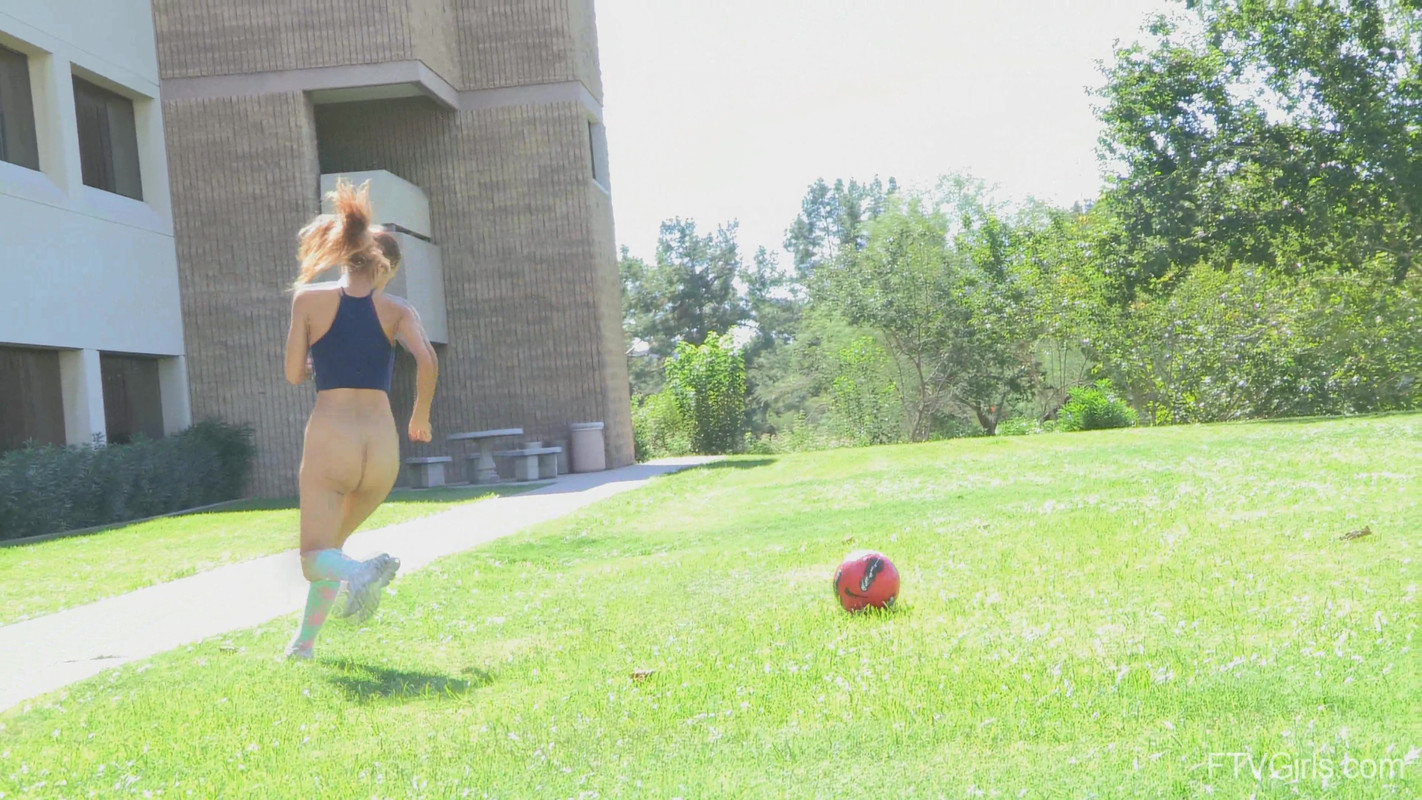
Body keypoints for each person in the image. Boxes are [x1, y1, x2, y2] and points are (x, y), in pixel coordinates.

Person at [281, 179, 439, 660]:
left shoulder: (307, 301)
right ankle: (303, 645)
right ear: (384, 268)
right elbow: (428, 360)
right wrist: (420, 415)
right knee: (333, 546)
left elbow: (292, 374)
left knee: (315, 559)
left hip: (332, 440)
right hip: (382, 446)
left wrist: (314, 362)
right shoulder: (398, 310)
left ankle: (357, 573)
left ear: (344, 254)